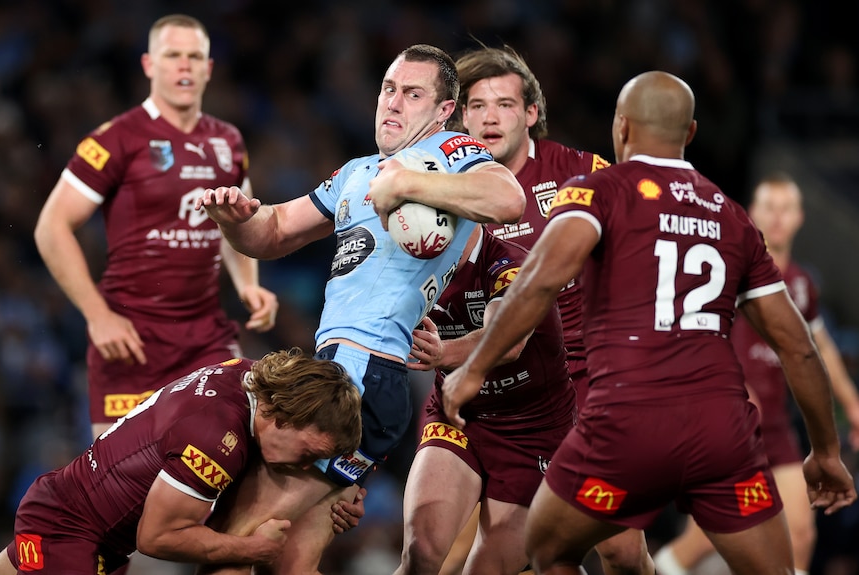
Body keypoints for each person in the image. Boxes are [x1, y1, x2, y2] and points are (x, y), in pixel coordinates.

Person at [441, 70, 857, 575]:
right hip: (721, 433)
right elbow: (798, 346)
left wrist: (473, 370)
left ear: (621, 127)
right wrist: (827, 453)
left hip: (627, 427)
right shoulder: (733, 217)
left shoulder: (598, 191)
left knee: (548, 548)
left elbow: (538, 283)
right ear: (691, 133)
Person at [195, 44, 525, 575]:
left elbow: (508, 198)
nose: (393, 103)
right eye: (388, 89)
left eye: (412, 94)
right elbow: (274, 231)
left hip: (364, 368)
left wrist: (408, 183)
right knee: (291, 555)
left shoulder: (449, 151)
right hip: (349, 374)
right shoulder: (357, 172)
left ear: (443, 111)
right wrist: (235, 219)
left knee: (234, 539)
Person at [434, 44, 651, 575]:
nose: (488, 117)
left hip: (580, 385)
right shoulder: (433, 184)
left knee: (619, 549)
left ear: (531, 113)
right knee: (477, 553)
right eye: (476, 104)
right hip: (476, 390)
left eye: (504, 104)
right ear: (459, 116)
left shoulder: (582, 173)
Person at [33, 14, 279, 442]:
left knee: (231, 460)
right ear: (149, 65)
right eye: (172, 56)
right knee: (118, 490)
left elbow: (236, 221)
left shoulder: (229, 142)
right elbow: (51, 227)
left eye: (194, 56)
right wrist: (97, 316)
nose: (184, 66)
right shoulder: (116, 140)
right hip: (130, 340)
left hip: (206, 340)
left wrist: (247, 284)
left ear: (208, 68)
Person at [652, 172, 859, 575]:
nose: (778, 218)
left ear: (800, 217)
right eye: (769, 207)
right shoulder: (725, 271)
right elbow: (687, 332)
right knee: (704, 538)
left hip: (778, 426)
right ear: (752, 213)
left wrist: (852, 403)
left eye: (786, 209)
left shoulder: (801, 284)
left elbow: (819, 348)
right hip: (730, 422)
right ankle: (660, 567)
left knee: (801, 533)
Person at [0, 348, 363, 575]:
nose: (304, 467)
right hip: (70, 530)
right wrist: (253, 549)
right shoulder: (213, 439)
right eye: (308, 454)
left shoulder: (246, 375)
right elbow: (156, 538)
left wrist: (330, 499)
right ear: (283, 419)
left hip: (70, 516)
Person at [394, 223, 576, 575]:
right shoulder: (410, 263)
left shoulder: (516, 265)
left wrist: (443, 352)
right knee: (421, 552)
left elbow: (508, 340)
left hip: (534, 431)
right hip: (459, 417)